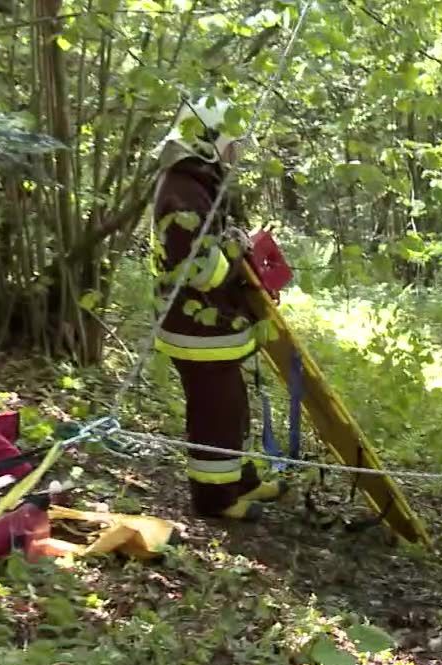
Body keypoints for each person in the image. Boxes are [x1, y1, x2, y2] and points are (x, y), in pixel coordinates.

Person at [152, 95, 286, 520]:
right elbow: (202, 270)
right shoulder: (182, 190)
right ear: (207, 141)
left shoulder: (197, 183)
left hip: (213, 327)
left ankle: (240, 482)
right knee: (214, 417)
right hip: (197, 330)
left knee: (231, 410)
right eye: (231, 143)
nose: (236, 153)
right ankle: (216, 501)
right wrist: (236, 246)